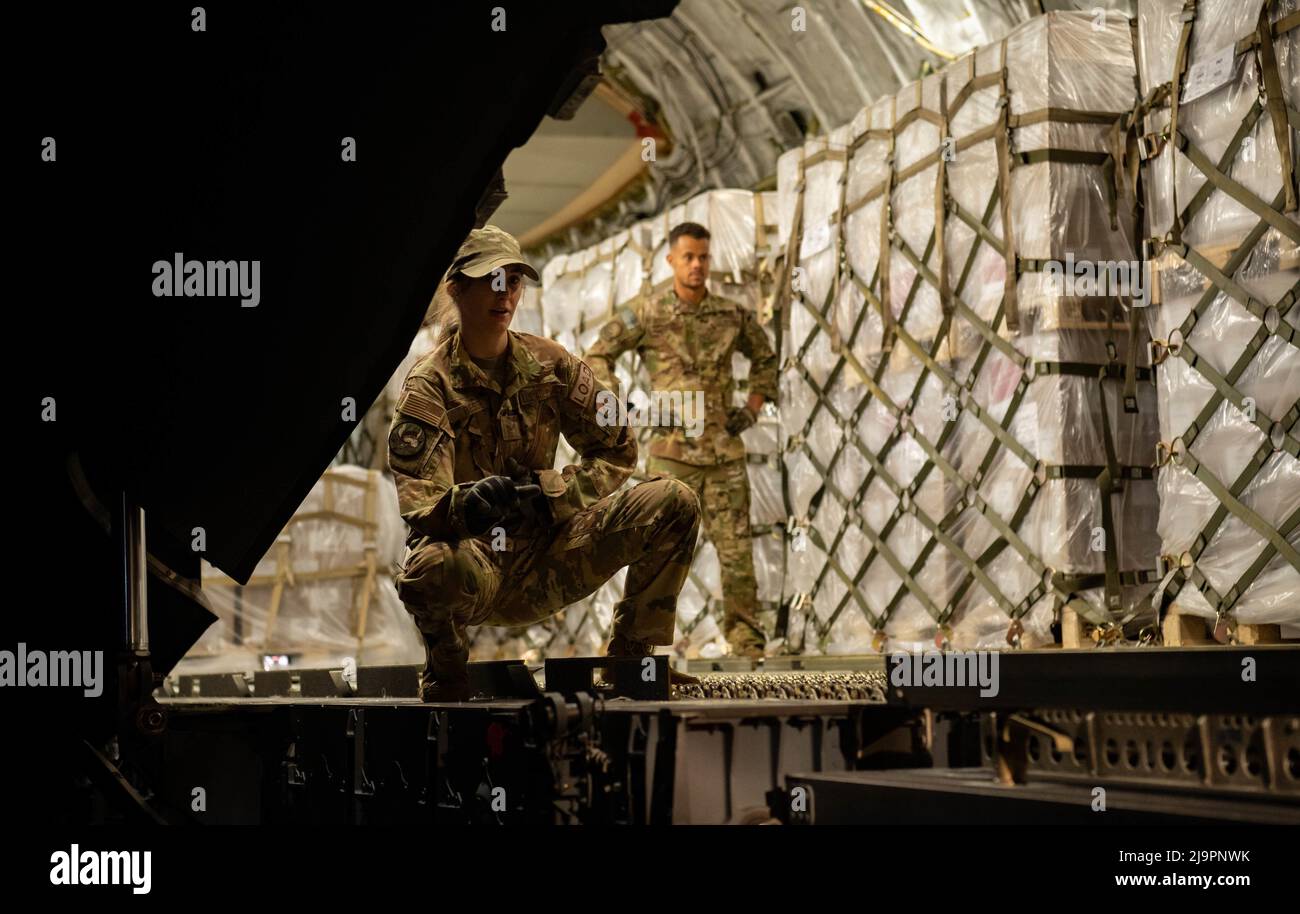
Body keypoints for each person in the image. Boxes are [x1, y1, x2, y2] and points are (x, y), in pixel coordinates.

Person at [388, 225, 702, 701]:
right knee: (429, 564)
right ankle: (447, 676)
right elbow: (420, 505)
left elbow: (618, 447)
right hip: (478, 571)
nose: (505, 294)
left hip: (553, 554)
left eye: (514, 281)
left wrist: (556, 492)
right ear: (456, 287)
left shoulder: (551, 365)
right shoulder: (429, 386)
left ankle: (631, 655)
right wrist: (466, 507)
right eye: (491, 280)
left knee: (673, 500)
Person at [585, 222, 778, 658]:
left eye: (703, 257)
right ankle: (636, 644)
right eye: (688, 257)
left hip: (723, 454)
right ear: (671, 260)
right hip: (671, 457)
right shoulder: (648, 311)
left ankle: (747, 642)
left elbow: (765, 356)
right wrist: (614, 403)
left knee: (736, 551)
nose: (696, 265)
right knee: (655, 552)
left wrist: (751, 408)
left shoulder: (730, 314)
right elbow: (598, 352)